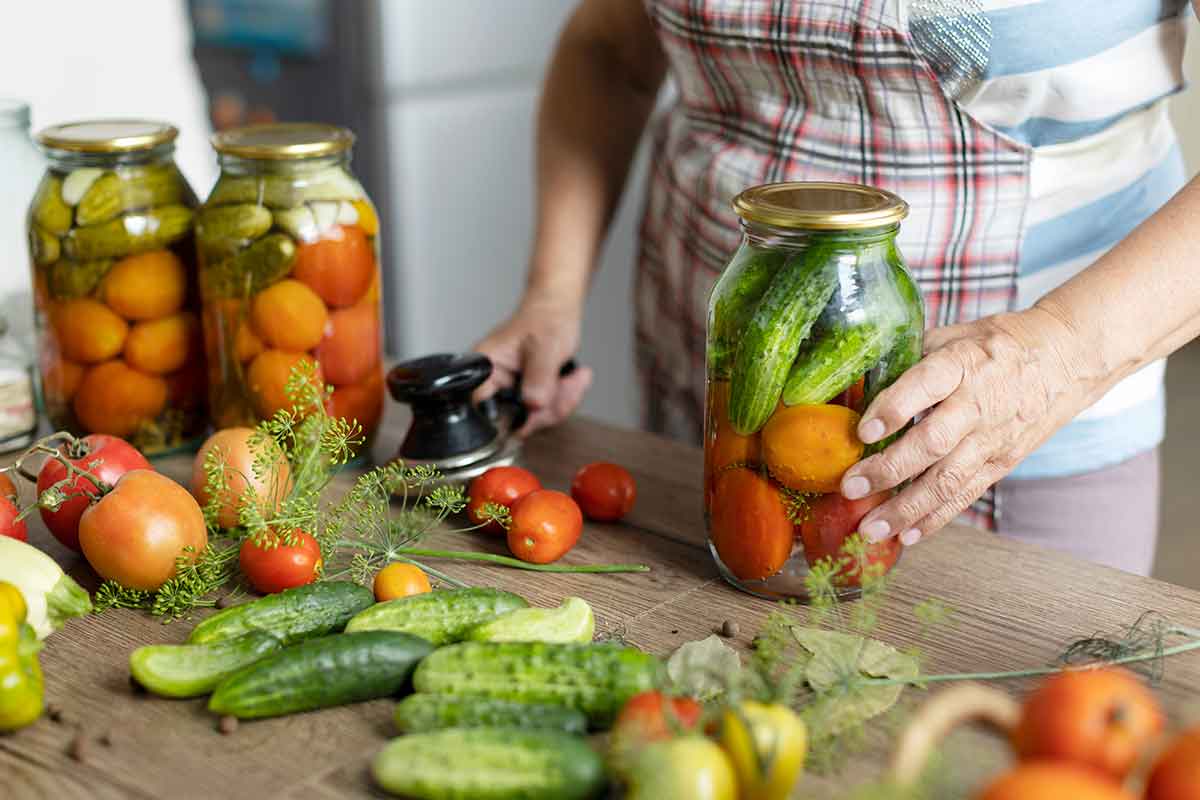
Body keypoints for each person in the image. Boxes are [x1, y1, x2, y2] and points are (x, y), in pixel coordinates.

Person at [475, 0, 1199, 576]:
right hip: (714, 391)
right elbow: (611, 50)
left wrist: (1058, 350)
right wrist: (551, 294)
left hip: (1018, 419)